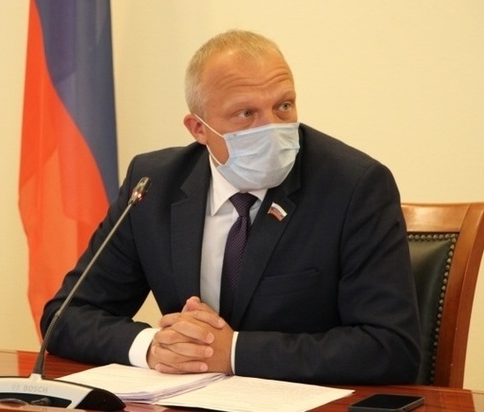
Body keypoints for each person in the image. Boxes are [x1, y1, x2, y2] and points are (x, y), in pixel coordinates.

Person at [41, 30, 421, 385]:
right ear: (199, 129)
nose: (272, 127)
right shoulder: (153, 184)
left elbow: (391, 346)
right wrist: (155, 346)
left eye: (283, 106)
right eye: (246, 114)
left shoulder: (354, 187)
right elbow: (64, 317)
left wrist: (234, 352)